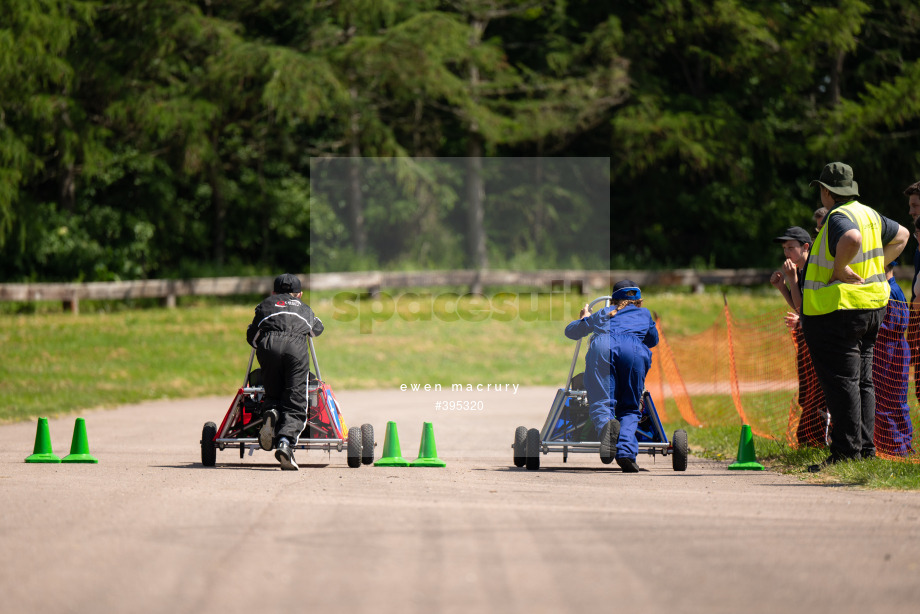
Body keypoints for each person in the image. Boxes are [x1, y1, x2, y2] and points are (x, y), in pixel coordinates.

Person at [801, 162, 909, 472]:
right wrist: (870, 266)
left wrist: (840, 269)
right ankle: (864, 450)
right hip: (873, 308)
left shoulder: (838, 217)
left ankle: (846, 454)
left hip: (838, 311)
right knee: (863, 382)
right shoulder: (870, 214)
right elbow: (901, 235)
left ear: (826, 191)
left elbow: (851, 240)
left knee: (843, 382)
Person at [564, 280, 659, 472]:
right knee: (630, 407)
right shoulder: (645, 314)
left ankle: (607, 426)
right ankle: (624, 452)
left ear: (614, 299)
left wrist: (584, 318)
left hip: (603, 348)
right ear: (639, 301)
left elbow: (571, 332)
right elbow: (653, 340)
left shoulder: (603, 313)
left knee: (601, 402)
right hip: (634, 352)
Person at [246, 273, 324, 470]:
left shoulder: (265, 305)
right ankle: (285, 443)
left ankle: (271, 411)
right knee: (295, 398)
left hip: (269, 346)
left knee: (273, 390)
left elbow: (252, 338)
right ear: (299, 294)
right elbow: (317, 329)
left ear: (273, 292)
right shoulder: (305, 309)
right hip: (295, 349)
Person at [769, 227, 829, 446]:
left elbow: (804, 308)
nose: (787, 254)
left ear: (805, 247)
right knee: (808, 392)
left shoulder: (812, 269)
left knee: (820, 394)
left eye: (791, 248)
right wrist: (783, 287)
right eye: (784, 249)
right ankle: (811, 440)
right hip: (810, 338)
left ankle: (820, 439)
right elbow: (799, 306)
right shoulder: (801, 271)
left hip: (823, 341)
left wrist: (792, 280)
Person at [872, 260, 914, 456]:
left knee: (888, 402)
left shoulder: (891, 291)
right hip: (888, 352)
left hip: (890, 354)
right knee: (889, 401)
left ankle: (896, 448)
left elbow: (896, 326)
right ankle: (897, 446)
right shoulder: (888, 290)